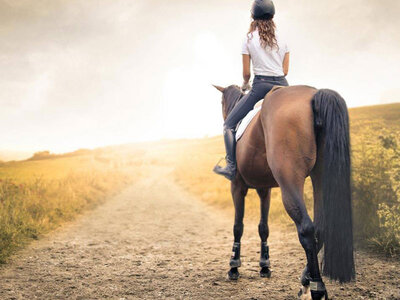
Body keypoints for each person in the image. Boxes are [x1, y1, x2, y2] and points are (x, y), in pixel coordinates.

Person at [213, 0, 290, 180]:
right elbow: (285, 70)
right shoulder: (283, 39)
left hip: (261, 86)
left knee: (229, 125)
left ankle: (231, 168)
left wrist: (245, 84)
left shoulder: (248, 39)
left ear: (253, 17)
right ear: (272, 16)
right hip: (283, 86)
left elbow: (247, 73)